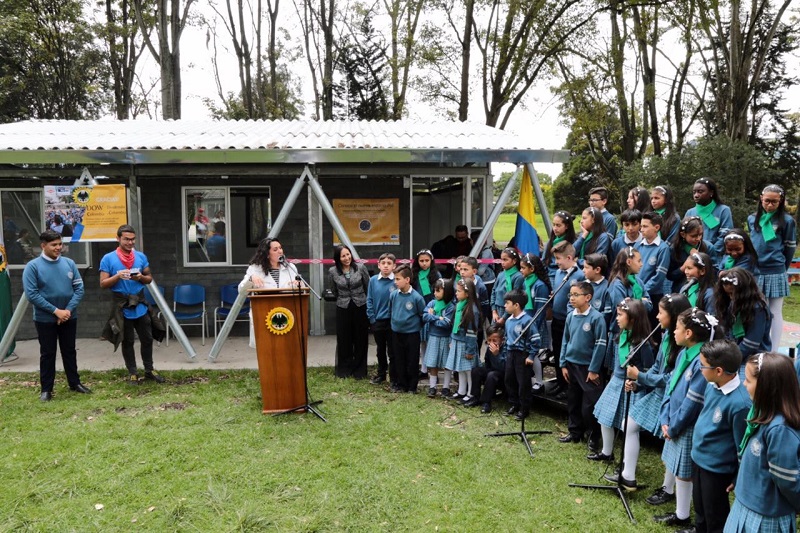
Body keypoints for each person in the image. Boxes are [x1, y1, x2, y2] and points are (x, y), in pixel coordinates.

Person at [610, 294, 692, 495]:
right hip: (658, 393)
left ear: (672, 316)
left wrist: (641, 376)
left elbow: (670, 379)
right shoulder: (666, 336)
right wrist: (639, 381)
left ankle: (668, 489)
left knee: (670, 441)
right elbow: (657, 367)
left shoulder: (682, 345)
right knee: (628, 424)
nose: (656, 316)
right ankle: (628, 476)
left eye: (661, 313)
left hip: (672, 397)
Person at [654, 308, 721, 528]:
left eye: (678, 328)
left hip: (686, 425)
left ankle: (682, 515)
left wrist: (673, 427)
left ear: (689, 333)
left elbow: (692, 403)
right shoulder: (684, 353)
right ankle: (679, 512)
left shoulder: (701, 361)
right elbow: (671, 387)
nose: (674, 331)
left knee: (684, 474)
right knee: (675, 467)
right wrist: (665, 417)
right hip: (673, 420)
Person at [725, 352, 800, 533]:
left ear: (767, 387)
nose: (743, 383)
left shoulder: (780, 429)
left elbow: (788, 480)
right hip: (747, 505)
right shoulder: (760, 412)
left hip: (765, 517)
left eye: (749, 381)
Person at [690, 339, 751, 533]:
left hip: (716, 471)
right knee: (700, 510)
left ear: (718, 371)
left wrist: (736, 475)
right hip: (698, 459)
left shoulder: (740, 404)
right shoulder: (712, 385)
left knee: (715, 517)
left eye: (703, 365)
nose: (699, 368)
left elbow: (741, 444)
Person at [22, 230, 88, 401]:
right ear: (43, 246)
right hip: (45, 319)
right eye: (54, 245)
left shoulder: (69, 263)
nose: (59, 248)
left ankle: (75, 383)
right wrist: (55, 311)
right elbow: (32, 294)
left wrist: (67, 311)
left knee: (69, 351)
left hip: (69, 316)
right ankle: (46, 389)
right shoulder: (33, 267)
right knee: (48, 353)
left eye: (60, 244)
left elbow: (79, 289)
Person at [100, 225, 166, 384]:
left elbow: (149, 278)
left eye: (132, 239)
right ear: (118, 239)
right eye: (126, 239)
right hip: (122, 305)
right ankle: (133, 373)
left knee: (147, 338)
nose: (130, 242)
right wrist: (117, 276)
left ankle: (149, 370)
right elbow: (103, 283)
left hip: (140, 304)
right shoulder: (108, 258)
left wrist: (140, 278)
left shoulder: (141, 257)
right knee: (127, 340)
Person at [591, 299, 654, 462]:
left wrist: (637, 383)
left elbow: (649, 369)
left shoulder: (643, 344)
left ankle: (627, 463)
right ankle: (607, 452)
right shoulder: (621, 336)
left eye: (620, 315)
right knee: (604, 418)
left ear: (632, 319)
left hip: (631, 387)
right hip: (616, 381)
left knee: (628, 427)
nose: (616, 318)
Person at [557, 281, 608, 445]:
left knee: (589, 405)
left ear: (588, 297)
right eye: (570, 295)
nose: (572, 298)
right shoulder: (571, 316)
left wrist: (593, 369)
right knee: (573, 401)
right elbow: (565, 340)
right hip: (572, 365)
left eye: (576, 295)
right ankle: (575, 432)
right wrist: (563, 363)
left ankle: (594, 436)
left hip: (588, 368)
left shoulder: (596, 318)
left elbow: (600, 345)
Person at [747, 184, 797, 350]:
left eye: (774, 202)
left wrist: (782, 266)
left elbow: (790, 247)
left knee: (775, 311)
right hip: (756, 270)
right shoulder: (752, 219)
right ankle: (759, 345)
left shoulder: (787, 221)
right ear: (761, 199)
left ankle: (773, 349)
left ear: (780, 201)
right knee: (758, 310)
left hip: (776, 270)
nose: (770, 205)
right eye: (767, 201)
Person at [239, 237, 299, 348]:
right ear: (267, 254)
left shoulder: (291, 268)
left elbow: (300, 288)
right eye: (275, 249)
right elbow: (241, 290)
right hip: (264, 315)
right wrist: (251, 279)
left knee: (285, 347)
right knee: (266, 350)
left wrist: (298, 284)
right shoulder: (255, 269)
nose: (280, 251)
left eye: (280, 248)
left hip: (286, 313)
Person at [716, 268, 772, 375]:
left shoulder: (757, 308)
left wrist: (731, 359)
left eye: (733, 294)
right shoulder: (733, 303)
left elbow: (751, 343)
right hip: (736, 354)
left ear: (745, 291)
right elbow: (728, 331)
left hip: (754, 358)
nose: (731, 297)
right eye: (728, 294)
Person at [327, 244, 370, 379]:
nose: (346, 258)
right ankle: (345, 370)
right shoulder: (333, 271)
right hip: (343, 307)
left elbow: (368, 286)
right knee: (344, 339)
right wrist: (343, 297)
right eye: (343, 256)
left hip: (360, 306)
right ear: (338, 258)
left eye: (348, 254)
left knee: (360, 338)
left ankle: (360, 371)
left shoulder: (361, 268)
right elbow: (334, 290)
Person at [549, 241, 585, 397]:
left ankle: (568, 386)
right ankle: (559, 381)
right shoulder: (558, 272)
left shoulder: (579, 275)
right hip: (556, 319)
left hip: (568, 321)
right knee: (557, 352)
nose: (556, 262)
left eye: (558, 258)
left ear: (569, 257)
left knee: (566, 354)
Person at [502, 289, 541, 420]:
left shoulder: (527, 320)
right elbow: (507, 338)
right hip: (510, 353)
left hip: (522, 354)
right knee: (509, 379)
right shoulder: (508, 321)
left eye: (507, 303)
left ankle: (524, 408)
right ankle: (514, 404)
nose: (505, 306)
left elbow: (535, 340)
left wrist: (531, 356)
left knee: (523, 383)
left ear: (516, 305)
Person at [389, 265, 426, 393]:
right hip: (396, 332)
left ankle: (412, 386)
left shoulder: (417, 297)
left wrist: (415, 327)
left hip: (412, 334)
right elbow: (391, 310)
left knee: (412, 360)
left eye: (398, 279)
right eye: (395, 279)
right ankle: (402, 384)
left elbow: (422, 314)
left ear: (407, 280)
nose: (395, 282)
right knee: (399, 359)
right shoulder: (394, 295)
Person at [444, 278, 482, 402]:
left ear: (467, 293)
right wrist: (451, 339)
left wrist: (470, 350)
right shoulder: (458, 306)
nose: (456, 293)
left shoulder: (472, 310)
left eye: (459, 291)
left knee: (467, 370)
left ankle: (470, 393)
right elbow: (453, 325)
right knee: (459, 368)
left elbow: (472, 333)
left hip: (465, 344)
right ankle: (461, 391)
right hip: (456, 341)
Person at [519, 253, 551, 391]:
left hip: (535, 324)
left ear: (532, 269)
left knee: (534, 353)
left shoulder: (540, 286)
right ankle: (530, 378)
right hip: (524, 322)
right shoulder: (524, 282)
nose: (521, 271)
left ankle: (539, 381)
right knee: (525, 352)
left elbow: (541, 310)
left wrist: (534, 328)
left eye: (523, 268)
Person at [684, 178, 734, 257]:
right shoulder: (690, 212)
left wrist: (711, 252)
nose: (696, 195)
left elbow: (725, 234)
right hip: (693, 256)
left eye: (700, 192)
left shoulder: (723, 210)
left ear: (711, 193)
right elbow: (684, 236)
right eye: (694, 192)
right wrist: (691, 251)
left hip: (716, 256)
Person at [422, 279, 455, 398]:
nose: (435, 293)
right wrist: (439, 318)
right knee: (433, 363)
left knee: (447, 364)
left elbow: (446, 324)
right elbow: (425, 316)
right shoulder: (432, 303)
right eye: (434, 291)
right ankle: (432, 387)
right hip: (433, 337)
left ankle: (446, 387)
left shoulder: (451, 306)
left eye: (438, 291)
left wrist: (433, 317)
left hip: (446, 338)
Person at [366, 253, 396, 385]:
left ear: (394, 266)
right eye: (383, 263)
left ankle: (394, 376)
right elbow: (369, 300)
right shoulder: (373, 280)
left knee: (393, 350)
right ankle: (381, 373)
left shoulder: (396, 280)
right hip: (378, 321)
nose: (386, 266)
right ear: (378, 265)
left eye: (389, 263)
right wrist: (372, 318)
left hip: (393, 322)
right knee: (380, 350)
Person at [636, 212, 670, 327]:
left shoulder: (663, 248)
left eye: (645, 226)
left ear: (656, 227)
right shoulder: (637, 246)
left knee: (651, 329)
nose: (641, 229)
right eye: (641, 226)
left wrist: (643, 291)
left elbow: (659, 277)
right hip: (636, 294)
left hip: (653, 296)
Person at [465, 323, 507, 413]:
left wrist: (497, 355)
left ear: (502, 340)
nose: (491, 343)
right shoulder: (489, 348)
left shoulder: (506, 348)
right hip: (492, 372)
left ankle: (486, 402)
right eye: (489, 340)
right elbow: (487, 362)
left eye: (494, 340)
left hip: (504, 376)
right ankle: (475, 397)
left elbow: (505, 367)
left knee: (492, 375)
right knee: (476, 370)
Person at [667, 215, 713, 293]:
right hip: (680, 291)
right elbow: (670, 275)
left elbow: (714, 271)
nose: (698, 238)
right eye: (693, 236)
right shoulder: (674, 249)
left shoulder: (708, 247)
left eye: (700, 235)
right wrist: (684, 267)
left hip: (702, 290)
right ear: (683, 234)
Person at [607, 246, 651, 313]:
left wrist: (632, 301)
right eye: (639, 261)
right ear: (629, 262)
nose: (641, 264)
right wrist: (641, 300)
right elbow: (623, 310)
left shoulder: (638, 281)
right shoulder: (617, 284)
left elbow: (650, 305)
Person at [542, 211, 577, 285]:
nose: (555, 228)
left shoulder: (573, 242)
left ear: (567, 226)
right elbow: (544, 261)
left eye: (558, 225)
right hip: (550, 277)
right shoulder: (550, 242)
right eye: (554, 225)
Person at [490, 247, 523, 324]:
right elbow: (494, 291)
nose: (502, 262)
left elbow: (514, 297)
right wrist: (494, 311)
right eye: (501, 260)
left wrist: (504, 317)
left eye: (505, 260)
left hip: (508, 310)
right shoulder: (501, 274)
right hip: (497, 309)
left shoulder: (518, 276)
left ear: (514, 261)